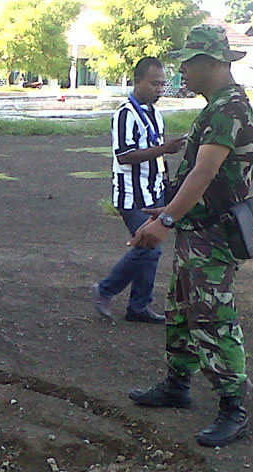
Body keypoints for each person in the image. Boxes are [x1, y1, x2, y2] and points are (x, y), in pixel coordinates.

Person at [126, 25, 253, 448]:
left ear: (214, 64)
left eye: (190, 62)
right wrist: (169, 211)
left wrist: (164, 223)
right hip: (198, 229)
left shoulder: (228, 109)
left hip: (213, 234)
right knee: (182, 309)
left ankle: (233, 408)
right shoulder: (218, 104)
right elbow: (196, 173)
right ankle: (177, 386)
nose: (182, 69)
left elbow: (205, 172)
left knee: (214, 317)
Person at [90, 57, 185, 324]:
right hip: (131, 195)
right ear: (138, 81)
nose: (159, 89)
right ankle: (105, 290)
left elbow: (154, 155)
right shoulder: (125, 114)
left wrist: (166, 183)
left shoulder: (155, 114)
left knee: (151, 250)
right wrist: (164, 149)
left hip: (153, 191)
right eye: (154, 84)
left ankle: (139, 307)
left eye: (162, 84)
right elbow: (124, 156)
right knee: (150, 247)